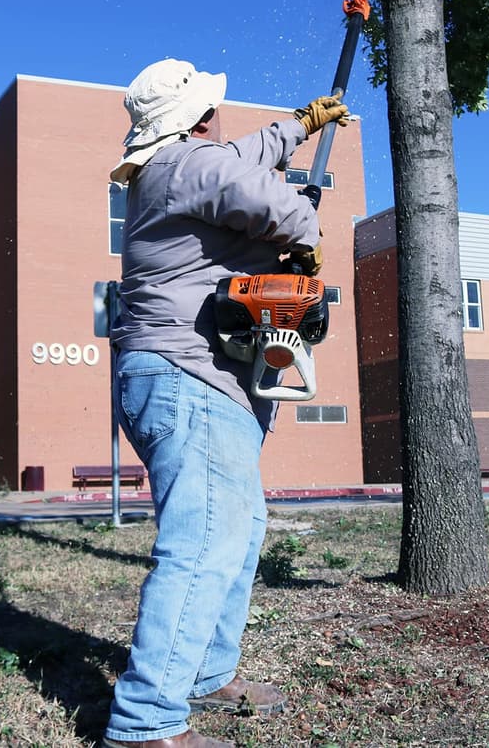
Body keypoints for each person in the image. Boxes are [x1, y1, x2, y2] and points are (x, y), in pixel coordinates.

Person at [102, 58, 347, 748]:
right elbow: (269, 197)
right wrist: (306, 237)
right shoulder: (187, 166)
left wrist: (298, 125)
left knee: (236, 534)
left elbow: (244, 157)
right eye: (214, 111)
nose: (221, 121)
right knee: (204, 543)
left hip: (186, 377)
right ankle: (146, 724)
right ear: (198, 118)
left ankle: (207, 672)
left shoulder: (175, 165)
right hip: (189, 378)